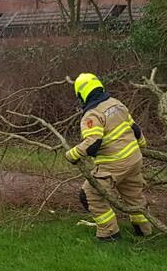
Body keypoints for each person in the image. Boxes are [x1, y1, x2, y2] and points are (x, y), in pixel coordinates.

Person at [65, 73, 152, 241]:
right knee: (134, 196)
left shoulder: (92, 115)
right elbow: (135, 129)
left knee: (90, 194)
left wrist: (71, 155)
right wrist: (142, 145)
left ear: (81, 95)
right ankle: (144, 231)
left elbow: (93, 143)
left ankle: (109, 234)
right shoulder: (116, 104)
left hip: (114, 164)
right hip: (134, 159)